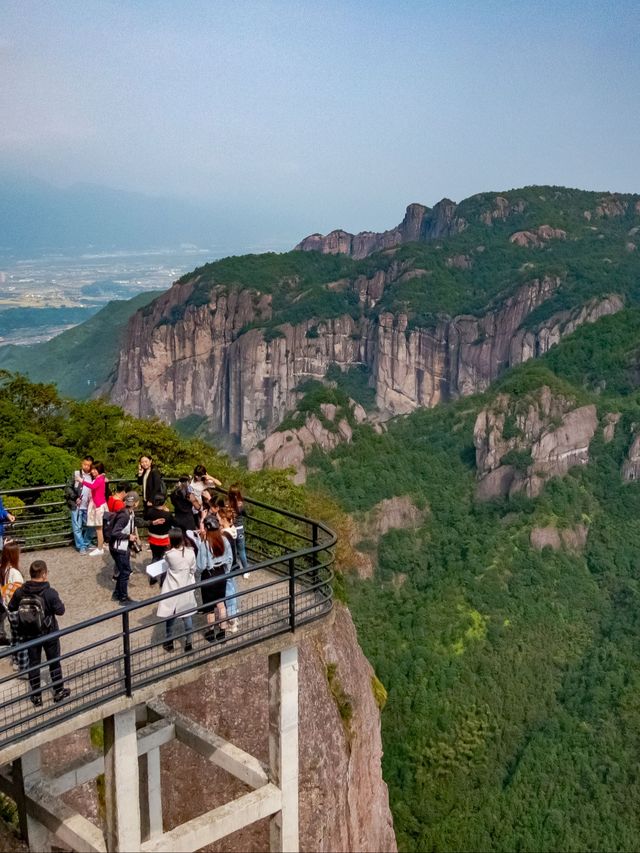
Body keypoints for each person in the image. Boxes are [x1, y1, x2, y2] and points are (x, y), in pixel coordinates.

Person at [9, 560, 70, 706]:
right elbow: (61, 611)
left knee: (34, 664)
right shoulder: (50, 593)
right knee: (54, 661)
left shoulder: (20, 592)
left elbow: (11, 607)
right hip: (49, 633)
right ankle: (58, 691)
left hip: (30, 634)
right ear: (43, 574)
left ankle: (36, 696)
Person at [157, 529, 197, 653]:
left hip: (172, 587)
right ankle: (189, 642)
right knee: (187, 616)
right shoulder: (190, 553)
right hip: (186, 586)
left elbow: (166, 563)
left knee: (171, 615)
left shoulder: (169, 555)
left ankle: (169, 641)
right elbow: (193, 569)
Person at [195, 517, 232, 642]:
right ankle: (222, 631)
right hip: (221, 573)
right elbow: (230, 558)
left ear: (206, 528)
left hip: (209, 576)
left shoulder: (205, 544)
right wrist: (226, 571)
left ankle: (211, 633)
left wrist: (197, 577)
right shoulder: (224, 540)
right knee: (221, 604)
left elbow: (200, 565)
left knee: (209, 607)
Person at [108, 491, 141, 605]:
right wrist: (128, 537)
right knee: (125, 571)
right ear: (136, 503)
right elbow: (115, 532)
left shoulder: (128, 512)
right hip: (119, 548)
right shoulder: (125, 515)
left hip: (119, 547)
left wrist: (152, 522)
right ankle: (123, 598)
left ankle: (117, 593)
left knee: (123, 570)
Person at [64, 455, 94, 555]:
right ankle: (81, 546)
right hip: (76, 505)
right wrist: (74, 497)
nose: (86, 467)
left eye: (89, 465)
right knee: (77, 527)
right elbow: (68, 487)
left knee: (91, 525)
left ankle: (86, 543)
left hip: (89, 505)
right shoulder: (76, 474)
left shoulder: (93, 475)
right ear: (82, 463)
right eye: (85, 464)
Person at [144, 494, 176, 586]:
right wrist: (168, 511)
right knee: (164, 560)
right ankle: (163, 581)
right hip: (164, 540)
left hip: (153, 539)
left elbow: (145, 519)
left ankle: (153, 578)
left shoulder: (150, 512)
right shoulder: (167, 515)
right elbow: (174, 523)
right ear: (163, 502)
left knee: (155, 557)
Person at [218, 507, 240, 633]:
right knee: (232, 589)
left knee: (229, 593)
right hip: (233, 566)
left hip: (227, 568)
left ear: (223, 519)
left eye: (218, 518)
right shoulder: (232, 530)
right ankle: (234, 613)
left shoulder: (224, 535)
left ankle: (232, 620)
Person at [0, 540, 23, 645]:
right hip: (16, 608)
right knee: (20, 636)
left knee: (15, 634)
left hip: (7, 606)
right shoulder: (15, 573)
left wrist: (5, 548)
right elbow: (20, 593)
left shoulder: (3, 568)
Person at [82, 461, 107, 556]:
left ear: (99, 470)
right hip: (98, 504)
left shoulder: (99, 479)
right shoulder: (100, 477)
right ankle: (100, 546)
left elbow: (93, 486)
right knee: (99, 528)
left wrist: (82, 481)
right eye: (92, 469)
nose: (93, 471)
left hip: (98, 506)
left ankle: (100, 548)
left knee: (99, 528)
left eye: (95, 469)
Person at [228, 484, 249, 577]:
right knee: (241, 551)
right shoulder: (241, 505)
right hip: (240, 529)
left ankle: (232, 568)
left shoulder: (227, 505)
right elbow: (245, 514)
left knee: (232, 550)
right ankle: (246, 570)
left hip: (230, 530)